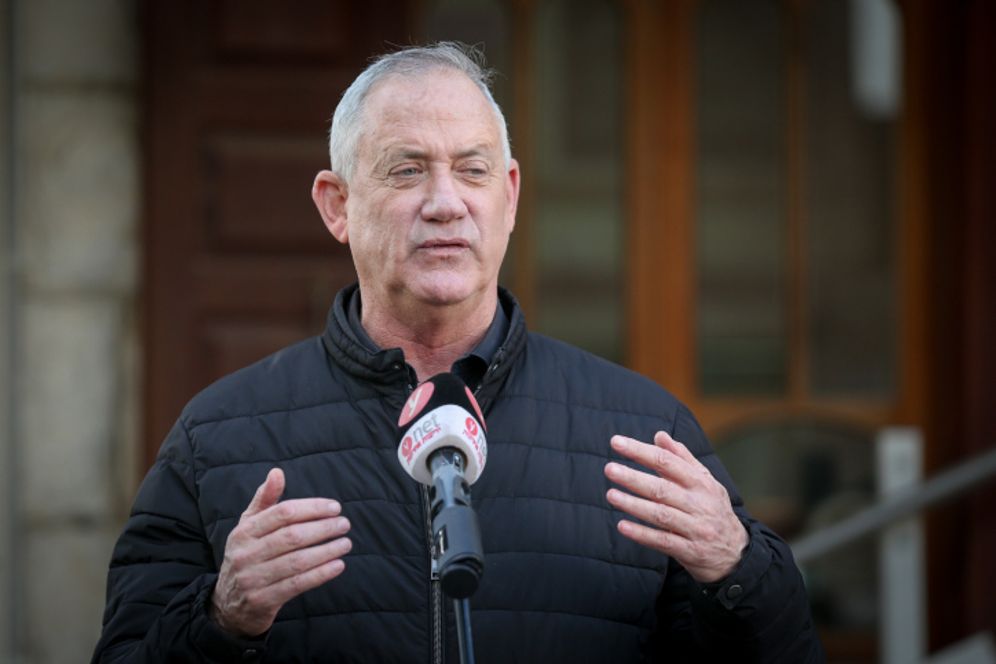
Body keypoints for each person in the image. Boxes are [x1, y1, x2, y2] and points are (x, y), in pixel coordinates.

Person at [92, 43, 823, 663]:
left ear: (508, 196)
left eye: (471, 170)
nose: (445, 202)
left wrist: (739, 569)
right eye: (407, 170)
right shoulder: (220, 437)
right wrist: (222, 618)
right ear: (336, 205)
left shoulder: (641, 432)